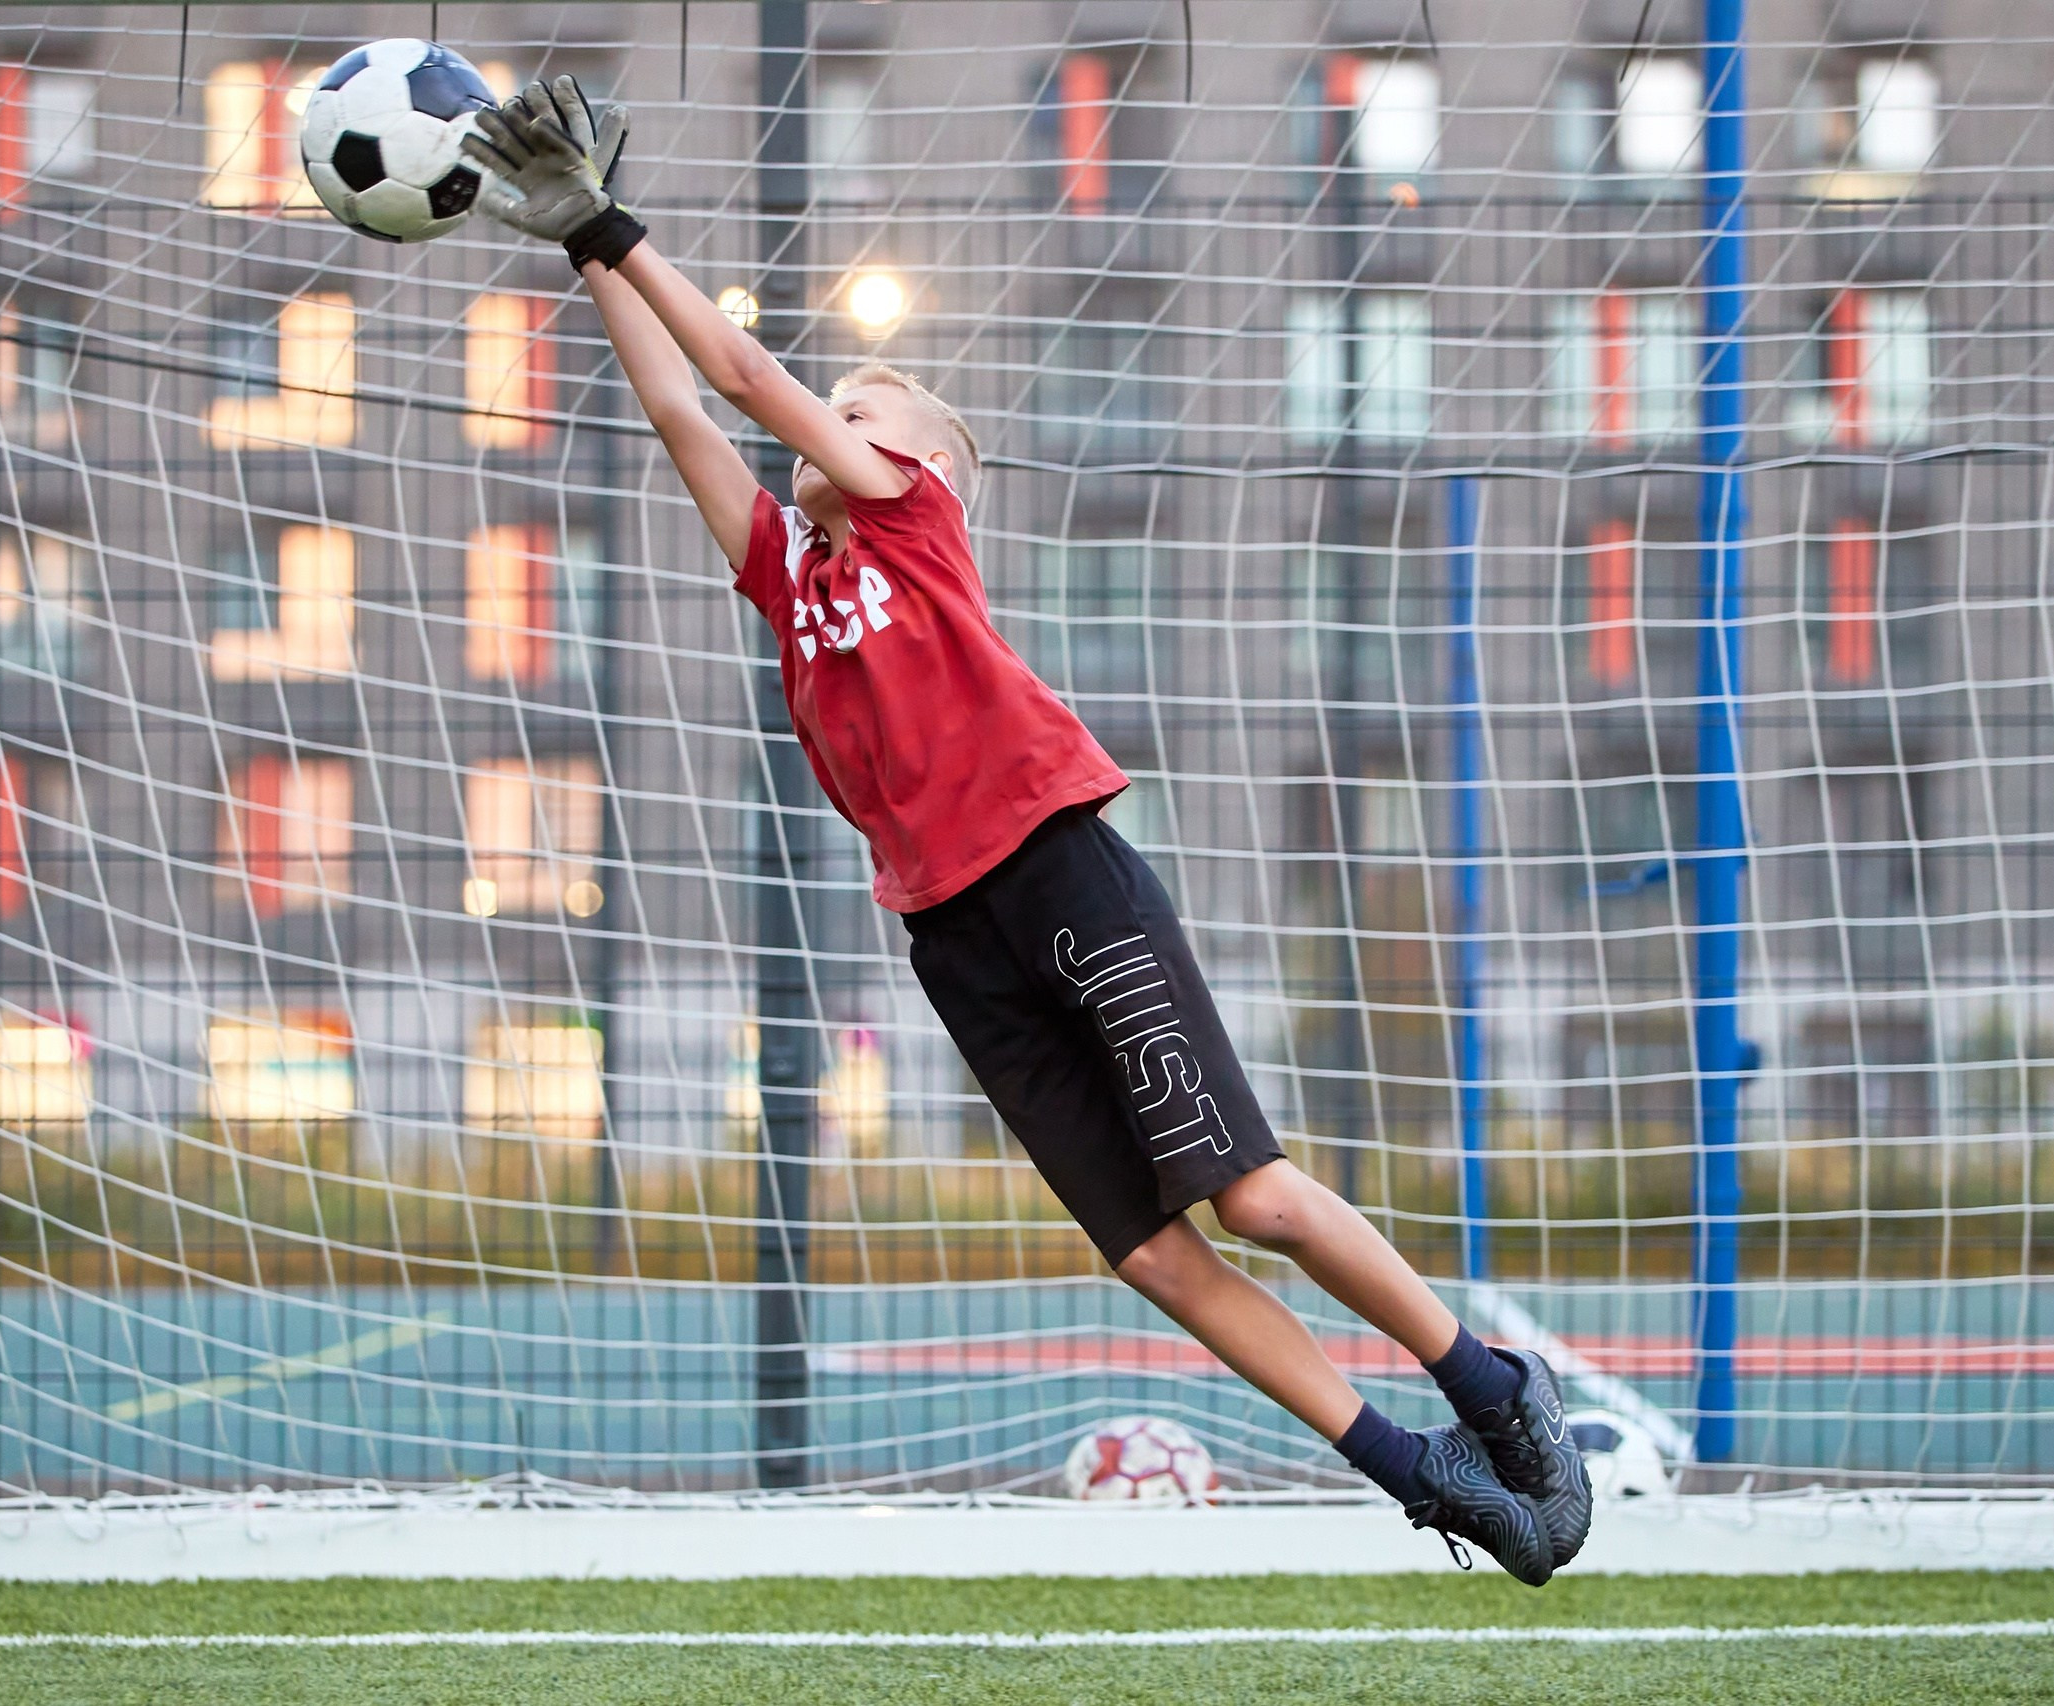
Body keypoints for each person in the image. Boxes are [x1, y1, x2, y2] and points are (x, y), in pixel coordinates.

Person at [462, 78, 1591, 1583]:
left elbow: (730, 366)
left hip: (1061, 871)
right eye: (841, 405)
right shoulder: (792, 584)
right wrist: (581, 259)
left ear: (916, 467)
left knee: (1248, 1194)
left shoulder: (908, 518)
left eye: (865, 407)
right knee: (1150, 1255)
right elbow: (680, 406)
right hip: (954, 937)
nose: (839, 416)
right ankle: (1416, 1469)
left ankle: (1489, 1386)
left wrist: (614, 221)